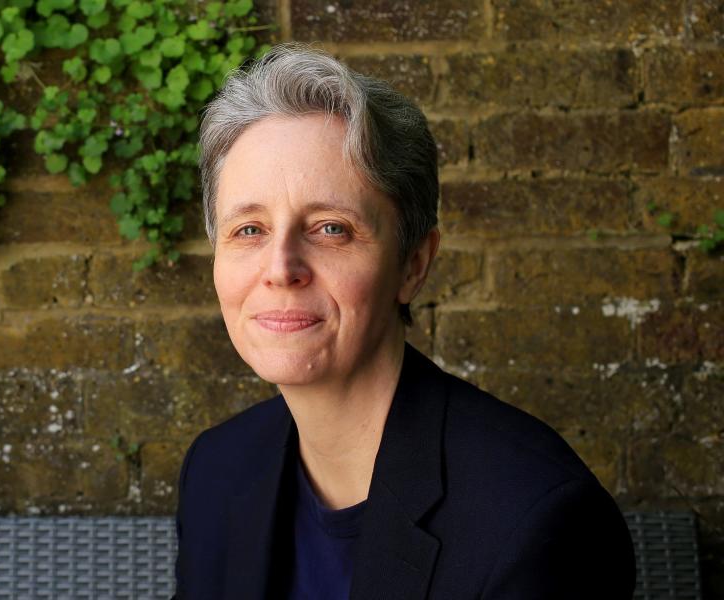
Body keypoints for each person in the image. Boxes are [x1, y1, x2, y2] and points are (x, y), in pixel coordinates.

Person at [171, 41, 636, 600]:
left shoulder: (535, 519)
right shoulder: (217, 471)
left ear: (413, 264)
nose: (280, 269)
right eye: (249, 229)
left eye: (330, 228)